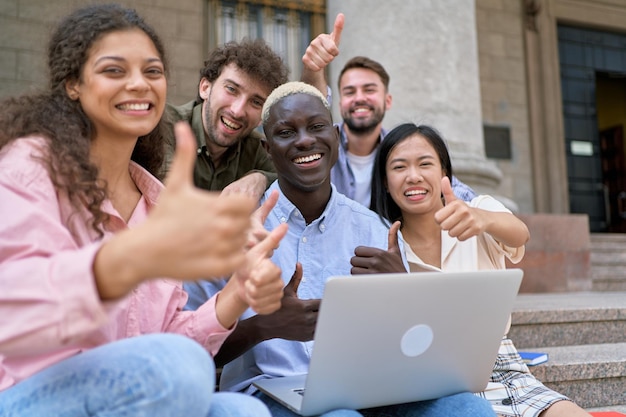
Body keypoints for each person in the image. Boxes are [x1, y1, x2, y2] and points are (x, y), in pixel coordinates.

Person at [0, 4, 287, 416]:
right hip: (27, 395)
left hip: (131, 392)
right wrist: (127, 259)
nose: (139, 84)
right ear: (72, 84)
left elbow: (169, 339)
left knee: (246, 412)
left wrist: (237, 292)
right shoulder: (30, 165)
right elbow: (13, 309)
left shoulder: (152, 200)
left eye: (152, 72)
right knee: (178, 368)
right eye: (114, 70)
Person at [185, 81, 498, 417]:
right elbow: (187, 351)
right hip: (269, 393)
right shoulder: (232, 228)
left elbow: (415, 344)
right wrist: (264, 327)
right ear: (267, 148)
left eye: (317, 127)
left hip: (370, 389)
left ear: (335, 136)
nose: (305, 139)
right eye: (286, 132)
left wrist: (404, 289)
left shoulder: (373, 229)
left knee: (469, 408)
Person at [349, 123, 592, 417]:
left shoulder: (478, 210)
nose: (413, 176)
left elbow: (520, 234)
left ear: (444, 174)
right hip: (431, 379)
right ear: (386, 182)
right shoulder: (381, 243)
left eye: (425, 164)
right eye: (399, 167)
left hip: (499, 364)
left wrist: (483, 219)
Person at [163, 13, 344, 200]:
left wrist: (260, 178)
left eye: (256, 102)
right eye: (232, 89)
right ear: (205, 88)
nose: (237, 110)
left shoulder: (259, 148)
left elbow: (302, 170)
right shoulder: (162, 126)